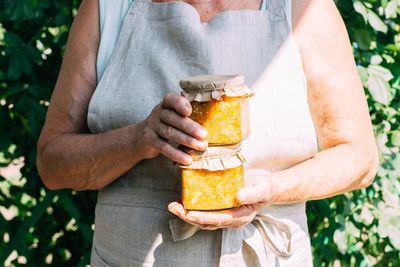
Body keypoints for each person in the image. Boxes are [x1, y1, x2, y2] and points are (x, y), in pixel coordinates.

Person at [36, 0, 379, 266]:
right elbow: (52, 163)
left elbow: (358, 156)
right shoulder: (109, 7)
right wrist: (138, 139)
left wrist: (271, 190)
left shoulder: (303, 8)